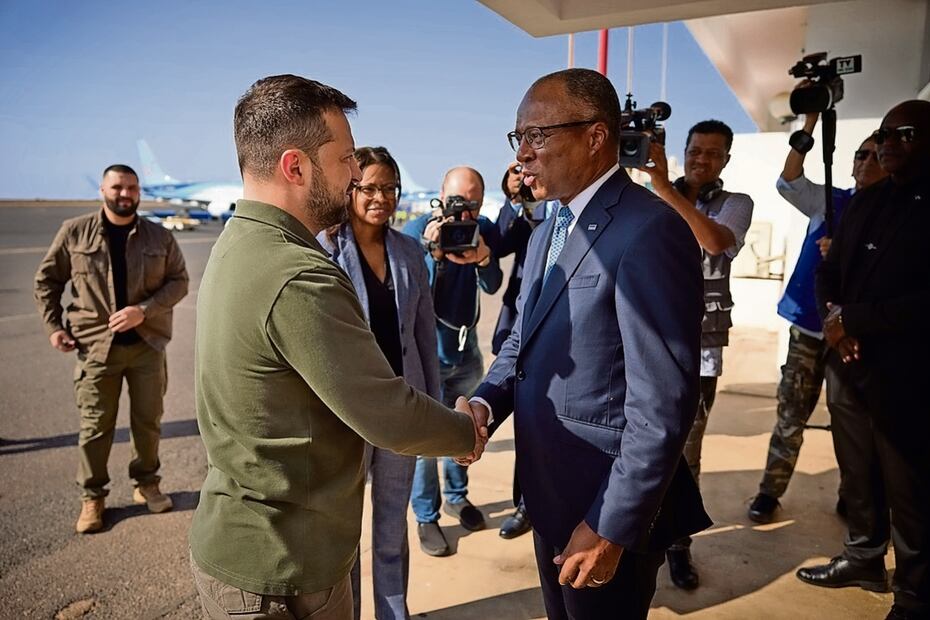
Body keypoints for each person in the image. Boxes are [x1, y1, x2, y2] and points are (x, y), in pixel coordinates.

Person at [189, 74, 486, 620]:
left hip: (259, 545)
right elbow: (388, 416)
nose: (356, 174)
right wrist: (464, 430)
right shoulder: (297, 274)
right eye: (346, 158)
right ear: (295, 166)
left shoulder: (242, 242)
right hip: (281, 571)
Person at [463, 68, 711, 620]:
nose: (521, 153)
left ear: (596, 136)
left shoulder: (651, 231)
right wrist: (483, 405)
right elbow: (520, 346)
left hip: (600, 504)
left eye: (537, 135)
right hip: (548, 493)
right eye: (517, 137)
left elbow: (663, 405)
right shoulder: (549, 227)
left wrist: (610, 524)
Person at [807, 100, 930, 620]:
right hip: (849, 364)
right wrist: (836, 328)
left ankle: (917, 595)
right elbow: (827, 273)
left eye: (903, 133)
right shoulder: (864, 202)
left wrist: (855, 320)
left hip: (909, 373)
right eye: (882, 133)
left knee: (911, 490)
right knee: (857, 472)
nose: (887, 143)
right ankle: (862, 557)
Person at [317, 145, 439, 620]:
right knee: (345, 536)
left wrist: (433, 408)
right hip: (346, 416)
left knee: (391, 532)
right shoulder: (325, 250)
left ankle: (394, 614)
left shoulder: (409, 251)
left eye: (390, 188)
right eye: (369, 187)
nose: (381, 197)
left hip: (400, 413)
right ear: (350, 190)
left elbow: (424, 334)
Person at [748, 114, 887, 524]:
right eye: (861, 155)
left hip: (856, 335)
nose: (866, 163)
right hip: (809, 328)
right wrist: (809, 123)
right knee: (791, 413)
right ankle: (770, 492)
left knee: (854, 422)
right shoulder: (830, 200)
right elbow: (788, 178)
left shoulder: (894, 215)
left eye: (877, 157)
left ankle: (852, 495)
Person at [34, 164, 188, 534]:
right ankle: (93, 497)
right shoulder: (74, 233)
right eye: (118, 187)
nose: (126, 194)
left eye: (132, 188)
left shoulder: (158, 236)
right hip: (95, 348)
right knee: (95, 427)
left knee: (147, 422)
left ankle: (147, 484)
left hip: (147, 346)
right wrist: (54, 327)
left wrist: (143, 311)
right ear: (102, 190)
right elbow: (47, 281)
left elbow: (179, 281)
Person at [638, 120, 754, 590]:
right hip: (647, 339)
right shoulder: (651, 195)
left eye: (712, 153)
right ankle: (637, 536)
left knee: (686, 455)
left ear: (726, 160)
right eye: (694, 150)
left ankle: (679, 548)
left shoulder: (735, 205)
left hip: (700, 351)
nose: (700, 159)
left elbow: (714, 242)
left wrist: (663, 187)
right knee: (638, 447)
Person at [402, 167, 503, 557]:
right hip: (427, 357)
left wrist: (483, 257)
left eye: (472, 205)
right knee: (426, 442)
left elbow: (492, 284)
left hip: (466, 353)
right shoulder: (415, 232)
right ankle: (426, 515)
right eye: (456, 203)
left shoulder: (484, 229)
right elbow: (413, 295)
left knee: (464, 430)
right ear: (440, 196)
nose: (464, 216)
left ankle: (457, 498)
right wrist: (432, 253)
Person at [492, 161, 552, 540]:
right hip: (520, 322)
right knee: (526, 423)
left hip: (565, 333)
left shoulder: (566, 209)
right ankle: (526, 504)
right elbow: (498, 244)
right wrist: (514, 198)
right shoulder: (526, 209)